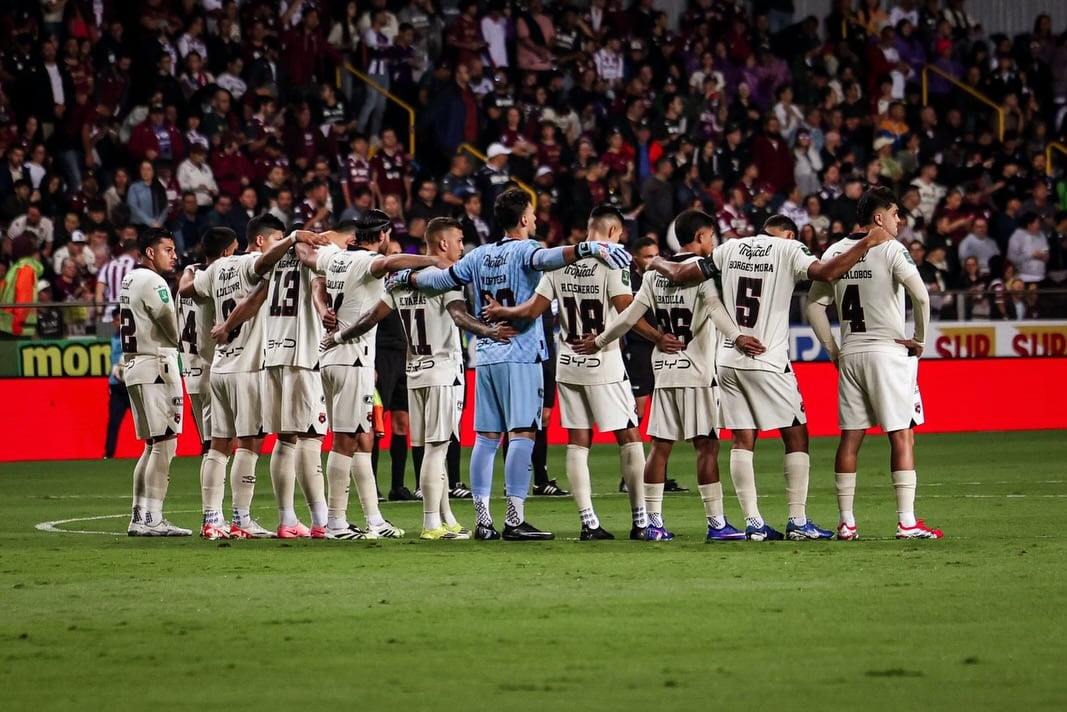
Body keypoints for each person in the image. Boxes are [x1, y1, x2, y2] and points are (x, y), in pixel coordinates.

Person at [387, 189, 632, 541]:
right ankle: (515, 519)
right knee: (522, 434)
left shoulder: (479, 255)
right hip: (520, 354)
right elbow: (550, 259)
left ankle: (483, 521)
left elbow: (439, 280)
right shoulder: (527, 250)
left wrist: (406, 278)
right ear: (522, 220)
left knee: (486, 438)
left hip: (485, 356)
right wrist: (588, 248)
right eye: (531, 214)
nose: (534, 219)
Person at [647, 210, 893, 540]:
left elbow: (678, 273)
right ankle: (798, 520)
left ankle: (754, 524)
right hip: (767, 358)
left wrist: (655, 262)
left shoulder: (730, 248)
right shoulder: (790, 250)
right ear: (789, 236)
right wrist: (866, 242)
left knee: (742, 439)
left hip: (729, 360)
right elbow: (829, 272)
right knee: (796, 434)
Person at [484, 206, 681, 539]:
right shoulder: (613, 261)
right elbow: (627, 312)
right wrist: (659, 337)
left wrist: (502, 311)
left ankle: (589, 523)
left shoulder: (558, 261)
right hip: (602, 362)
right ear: (614, 232)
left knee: (578, 442)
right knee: (629, 436)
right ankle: (640, 521)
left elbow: (533, 310)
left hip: (568, 362)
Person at [574, 209, 763, 541]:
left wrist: (601, 340)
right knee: (706, 446)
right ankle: (717, 524)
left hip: (663, 371)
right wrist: (738, 338)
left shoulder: (652, 276)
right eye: (711, 236)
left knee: (660, 448)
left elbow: (630, 316)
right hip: (697, 374)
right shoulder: (701, 275)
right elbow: (717, 311)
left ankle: (653, 523)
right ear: (702, 237)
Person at [326, 217, 514, 539]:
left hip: (415, 371)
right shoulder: (445, 278)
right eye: (458, 240)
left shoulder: (400, 281)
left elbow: (370, 318)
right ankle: (430, 524)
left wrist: (340, 337)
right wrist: (489, 331)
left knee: (430, 449)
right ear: (442, 244)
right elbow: (458, 316)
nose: (460, 246)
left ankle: (446, 516)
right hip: (443, 371)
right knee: (437, 449)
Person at [806, 185, 942, 540]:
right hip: (887, 352)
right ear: (878, 217)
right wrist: (920, 340)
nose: (899, 221)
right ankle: (907, 522)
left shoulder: (835, 251)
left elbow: (814, 306)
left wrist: (833, 349)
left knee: (850, 439)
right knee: (902, 436)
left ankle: (847, 522)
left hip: (851, 353)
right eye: (896, 214)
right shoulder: (891, 249)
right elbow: (921, 297)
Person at [178, 219, 324, 540]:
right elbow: (263, 266)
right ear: (258, 241)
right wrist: (295, 238)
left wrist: (190, 269)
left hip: (219, 368)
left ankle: (210, 518)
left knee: (217, 447)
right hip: (248, 368)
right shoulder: (249, 264)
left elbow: (188, 289)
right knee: (249, 445)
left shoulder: (215, 270)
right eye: (275, 238)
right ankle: (240, 518)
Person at [309, 215, 440, 539]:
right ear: (382, 235)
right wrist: (435, 259)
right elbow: (392, 262)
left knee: (362, 438)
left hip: (330, 358)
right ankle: (336, 523)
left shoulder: (334, 257)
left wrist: (321, 305)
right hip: (353, 359)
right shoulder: (370, 261)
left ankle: (374, 520)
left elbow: (310, 267)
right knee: (346, 440)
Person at [210, 223, 340, 539]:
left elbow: (252, 301)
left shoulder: (276, 261)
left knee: (285, 439)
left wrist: (227, 326)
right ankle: (323, 522)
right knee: (310, 438)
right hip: (303, 357)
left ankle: (287, 519)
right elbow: (316, 287)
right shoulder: (317, 257)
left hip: (273, 356)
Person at [119, 227, 189, 536]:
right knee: (165, 444)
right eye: (168, 250)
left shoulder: (130, 279)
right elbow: (169, 321)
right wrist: (189, 344)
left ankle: (140, 515)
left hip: (136, 364)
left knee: (151, 445)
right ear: (150, 252)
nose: (175, 256)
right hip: (157, 365)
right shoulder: (153, 281)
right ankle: (153, 519)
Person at [104, 311, 129, 459]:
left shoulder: (133, 335)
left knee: (144, 421)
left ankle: (156, 450)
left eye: (122, 319)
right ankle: (109, 453)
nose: (119, 322)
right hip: (117, 387)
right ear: (114, 322)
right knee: (113, 421)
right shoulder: (113, 338)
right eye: (117, 320)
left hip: (131, 386)